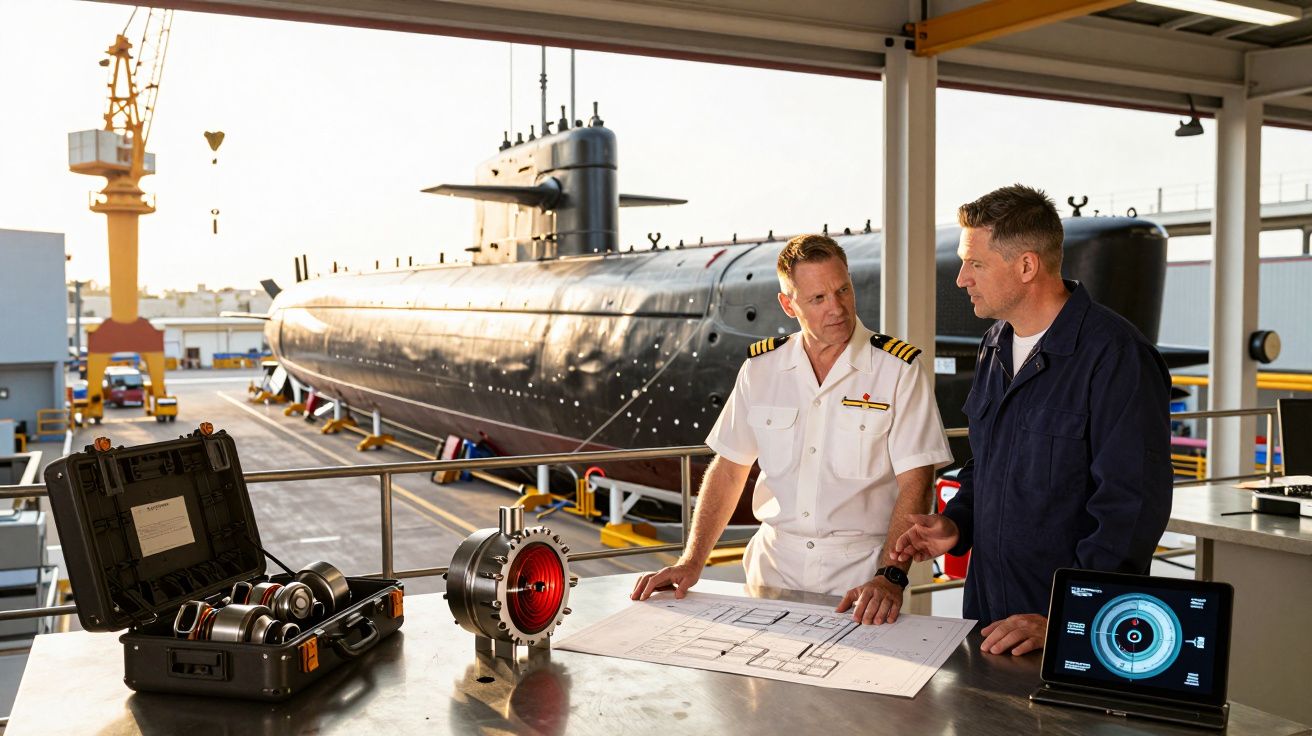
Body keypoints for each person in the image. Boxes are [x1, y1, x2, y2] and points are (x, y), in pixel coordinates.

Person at [894, 184, 1173, 656]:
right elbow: (986, 466)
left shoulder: (1116, 357)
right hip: (989, 618)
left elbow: (1131, 510)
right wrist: (957, 523)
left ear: (1026, 265)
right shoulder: (994, 346)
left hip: (1068, 633)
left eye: (975, 263)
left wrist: (1069, 617)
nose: (962, 278)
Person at [633, 234, 953, 626]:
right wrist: (691, 561)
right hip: (772, 571)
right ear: (788, 304)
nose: (836, 308)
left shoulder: (897, 370)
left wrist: (890, 576)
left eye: (843, 290)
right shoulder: (762, 368)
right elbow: (730, 469)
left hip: (861, 578)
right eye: (817, 298)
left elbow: (916, 482)